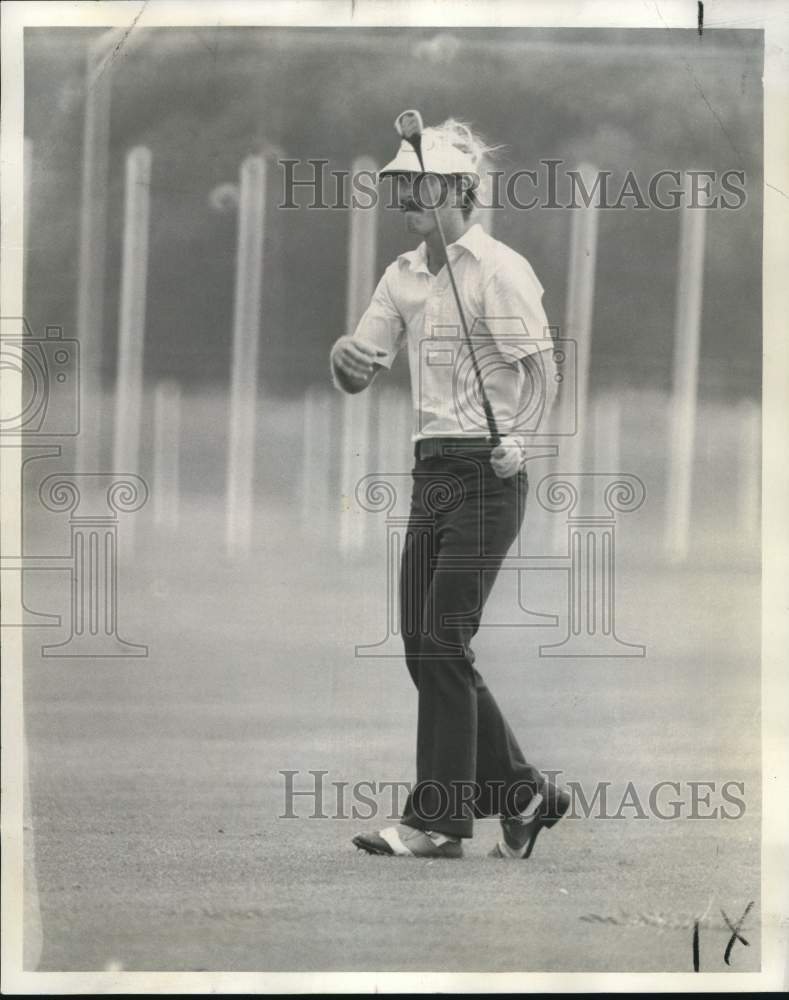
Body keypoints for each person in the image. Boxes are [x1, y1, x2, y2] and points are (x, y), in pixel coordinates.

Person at [330, 118, 570, 859]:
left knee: (441, 639)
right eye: (401, 181)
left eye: (419, 182)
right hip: (430, 471)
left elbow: (541, 372)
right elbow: (358, 368)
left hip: (488, 478)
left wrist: (520, 439)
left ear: (456, 190)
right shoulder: (401, 275)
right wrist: (346, 361)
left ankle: (436, 822)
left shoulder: (498, 269)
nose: (403, 192)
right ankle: (523, 791)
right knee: (423, 645)